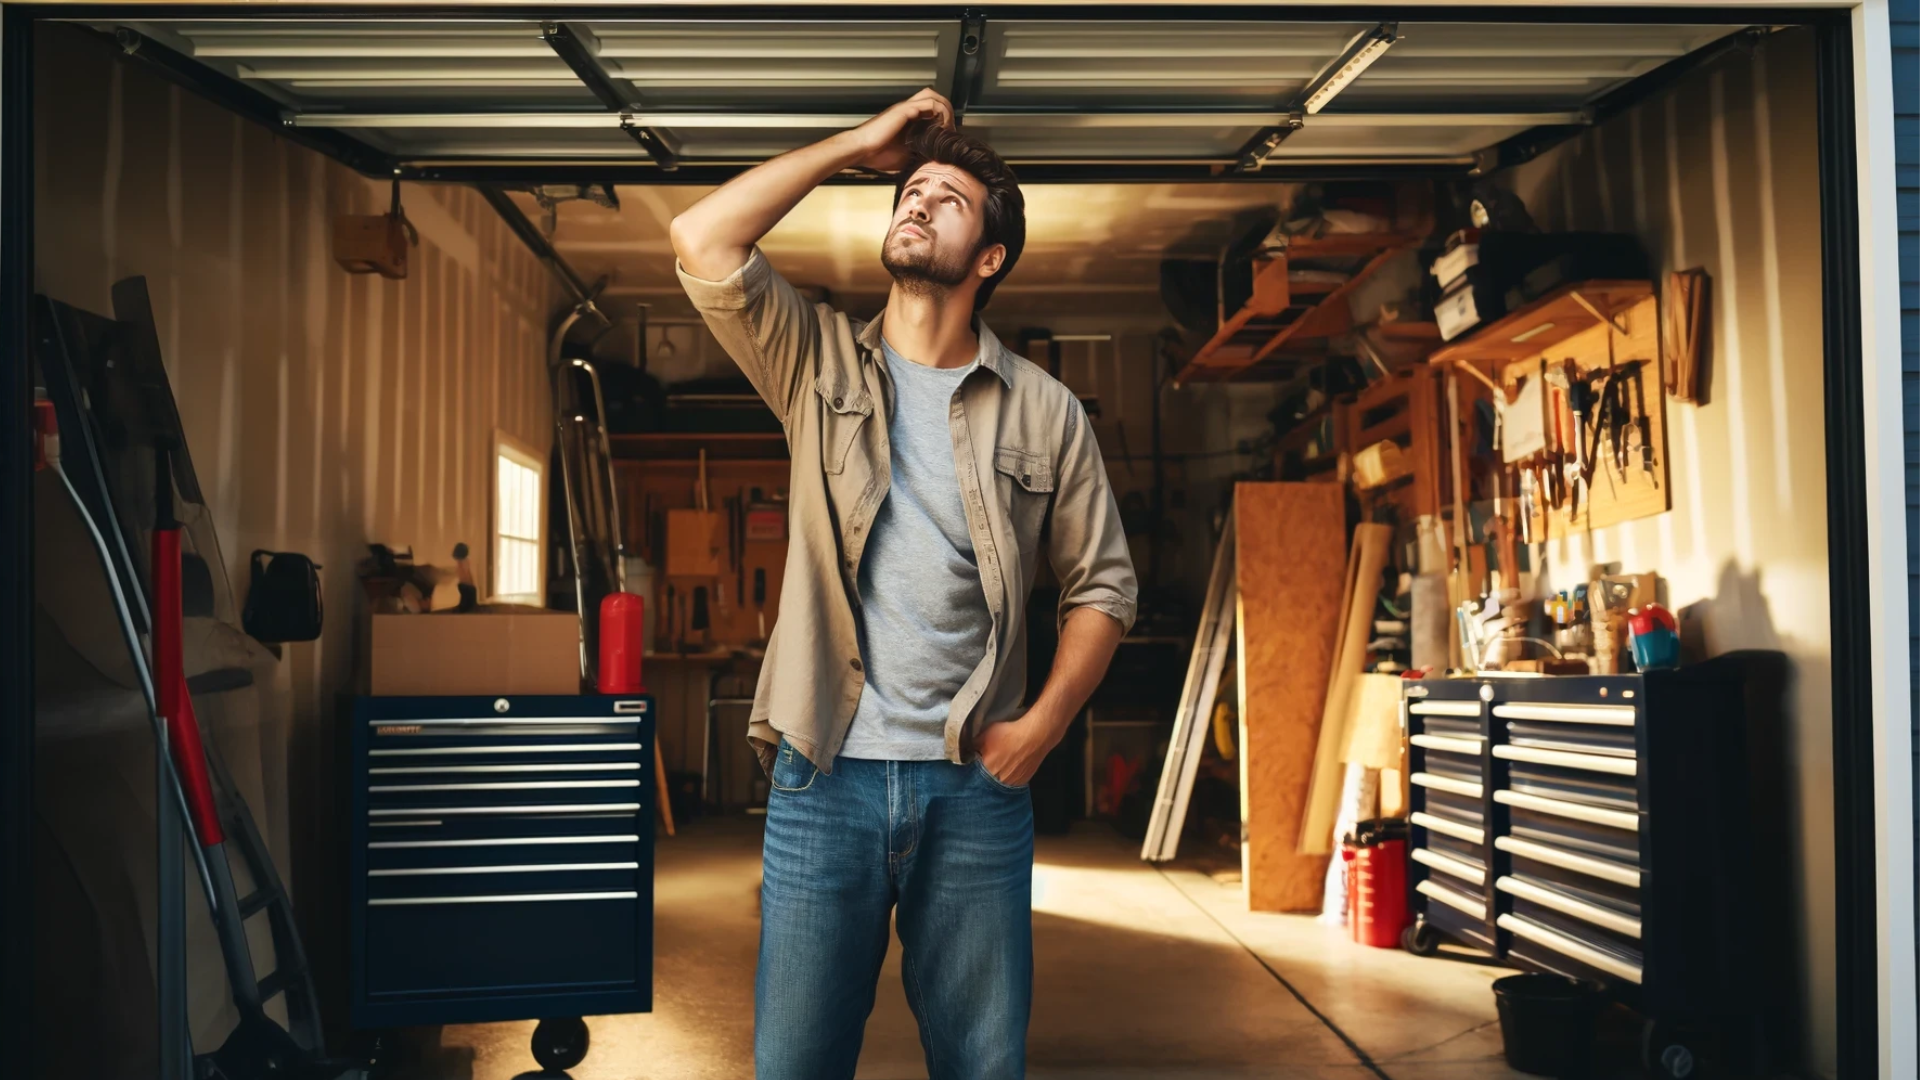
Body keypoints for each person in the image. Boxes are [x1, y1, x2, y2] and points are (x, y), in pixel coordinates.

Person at [671, 87, 1139, 1080]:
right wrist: (854, 147)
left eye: (949, 200)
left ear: (990, 258)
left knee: (981, 1066)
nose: (918, 204)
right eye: (910, 192)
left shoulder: (1046, 411)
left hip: (974, 788)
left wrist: (1043, 727)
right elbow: (700, 235)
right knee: (796, 1063)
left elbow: (1103, 587)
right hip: (822, 777)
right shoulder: (817, 361)